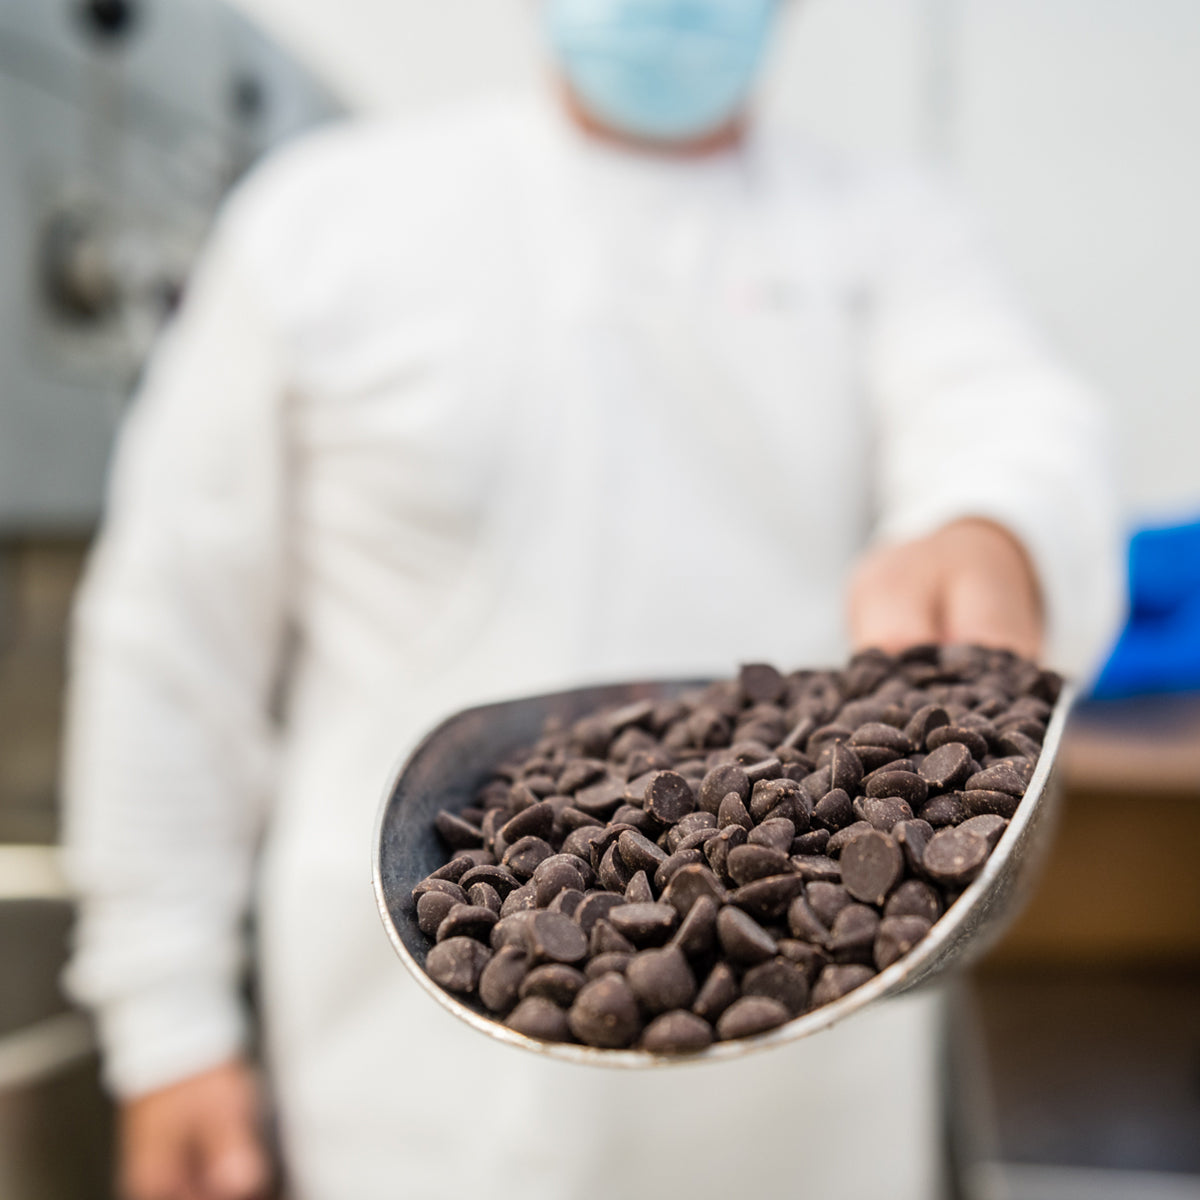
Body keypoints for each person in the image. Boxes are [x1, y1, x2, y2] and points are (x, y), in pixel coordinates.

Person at [62, 2, 1122, 1198]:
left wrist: (994, 525)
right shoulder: (320, 219)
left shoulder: (891, 227)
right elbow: (170, 645)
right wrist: (166, 1027)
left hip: (802, 1086)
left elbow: (1008, 412)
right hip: (406, 1088)